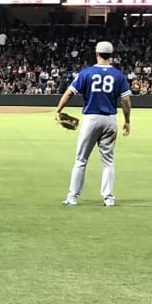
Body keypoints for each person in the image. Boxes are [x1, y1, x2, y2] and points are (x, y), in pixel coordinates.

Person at [52, 40, 133, 208]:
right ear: (111, 56)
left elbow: (69, 93)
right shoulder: (119, 75)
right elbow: (125, 100)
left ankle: (72, 198)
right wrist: (127, 121)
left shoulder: (86, 73)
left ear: (96, 54)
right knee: (108, 161)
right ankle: (109, 199)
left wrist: (58, 110)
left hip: (91, 119)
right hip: (110, 120)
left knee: (81, 160)